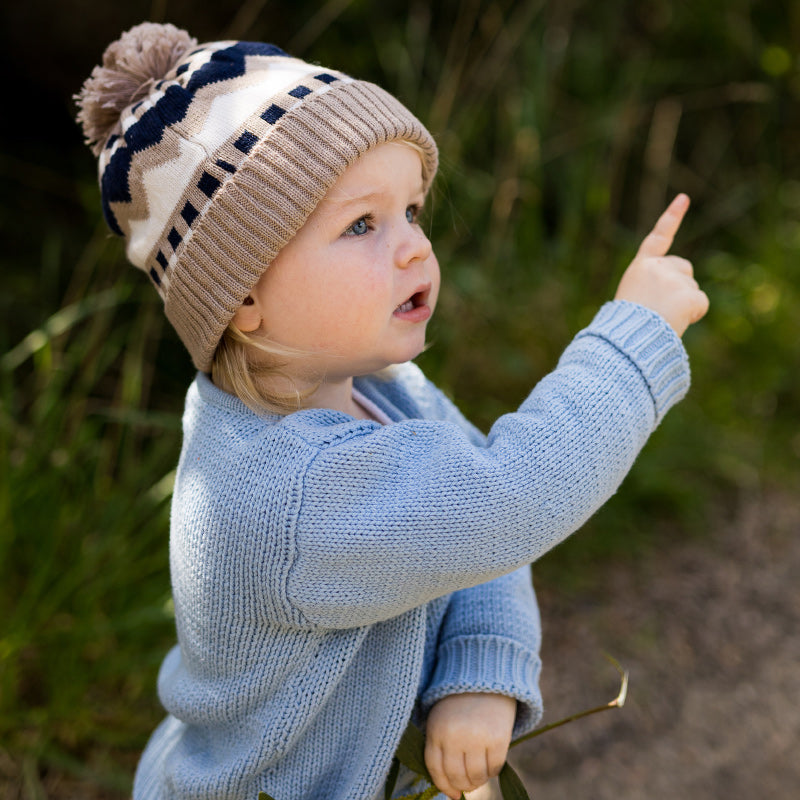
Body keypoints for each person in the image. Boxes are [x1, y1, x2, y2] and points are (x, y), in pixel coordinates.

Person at [75, 21, 709, 800]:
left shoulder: (382, 390)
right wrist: (633, 338)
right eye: (362, 225)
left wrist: (479, 668)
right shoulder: (286, 493)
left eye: (412, 210)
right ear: (240, 296)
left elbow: (479, 534)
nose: (414, 246)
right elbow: (506, 497)